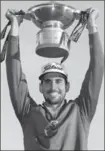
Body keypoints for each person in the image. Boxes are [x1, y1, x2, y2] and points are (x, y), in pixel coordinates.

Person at [5, 7, 104, 150]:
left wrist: (91, 26)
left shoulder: (81, 111)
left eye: (58, 81)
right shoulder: (28, 113)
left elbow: (97, 67)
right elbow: (14, 74)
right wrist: (15, 25)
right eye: (47, 81)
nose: (53, 87)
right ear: (40, 87)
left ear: (67, 86)